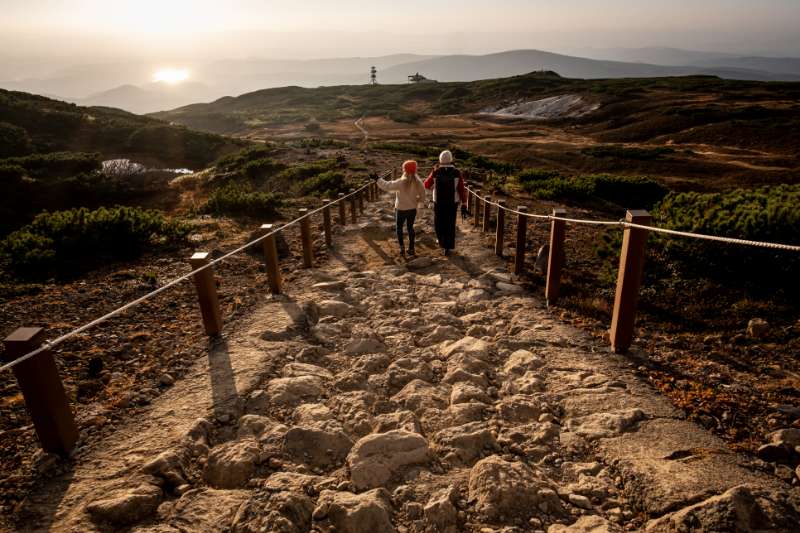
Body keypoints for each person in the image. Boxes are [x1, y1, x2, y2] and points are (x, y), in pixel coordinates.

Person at [376, 160, 426, 257]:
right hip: (412, 209)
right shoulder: (419, 182)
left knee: (399, 228)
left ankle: (402, 248)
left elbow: (387, 186)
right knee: (410, 228)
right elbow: (422, 196)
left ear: (404, 170)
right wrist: (420, 206)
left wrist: (377, 179)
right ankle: (411, 249)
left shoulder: (400, 182)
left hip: (400, 209)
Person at [424, 150, 468, 256]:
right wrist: (464, 202)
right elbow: (461, 189)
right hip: (452, 203)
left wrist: (433, 182)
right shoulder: (456, 172)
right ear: (451, 159)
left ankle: (441, 241)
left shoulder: (436, 171)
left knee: (439, 222)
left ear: (440, 159)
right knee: (450, 223)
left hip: (438, 202)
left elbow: (426, 184)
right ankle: (448, 246)